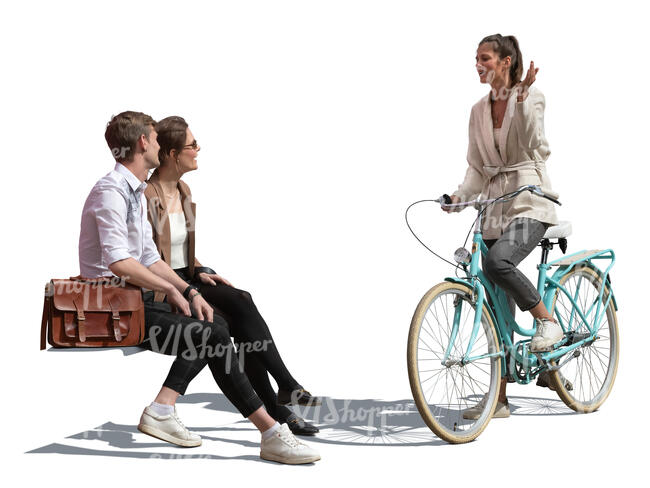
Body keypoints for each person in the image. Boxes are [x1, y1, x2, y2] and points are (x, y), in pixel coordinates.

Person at [78, 111, 320, 464]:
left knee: (218, 323)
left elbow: (148, 257)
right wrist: (176, 291)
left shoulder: (135, 191)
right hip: (111, 308)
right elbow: (119, 262)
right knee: (213, 332)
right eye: (156, 139)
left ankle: (247, 425)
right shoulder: (111, 192)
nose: (159, 145)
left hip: (135, 299)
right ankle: (265, 429)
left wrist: (188, 290)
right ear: (143, 142)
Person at [143, 115, 320, 436]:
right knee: (230, 325)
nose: (198, 149)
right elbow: (150, 254)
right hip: (165, 286)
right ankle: (281, 400)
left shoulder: (183, 190)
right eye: (192, 145)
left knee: (241, 299)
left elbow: (178, 244)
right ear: (171, 154)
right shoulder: (147, 196)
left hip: (189, 276)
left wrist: (200, 269)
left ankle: (284, 392)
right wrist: (186, 283)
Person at [441, 34, 565, 419]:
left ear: (506, 61)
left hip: (530, 200)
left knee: (498, 263)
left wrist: (524, 99)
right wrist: (459, 198)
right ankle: (499, 399)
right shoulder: (478, 109)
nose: (478, 64)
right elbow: (478, 167)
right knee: (495, 304)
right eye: (476, 58)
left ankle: (547, 322)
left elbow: (535, 146)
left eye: (485, 58)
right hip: (494, 206)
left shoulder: (532, 96)